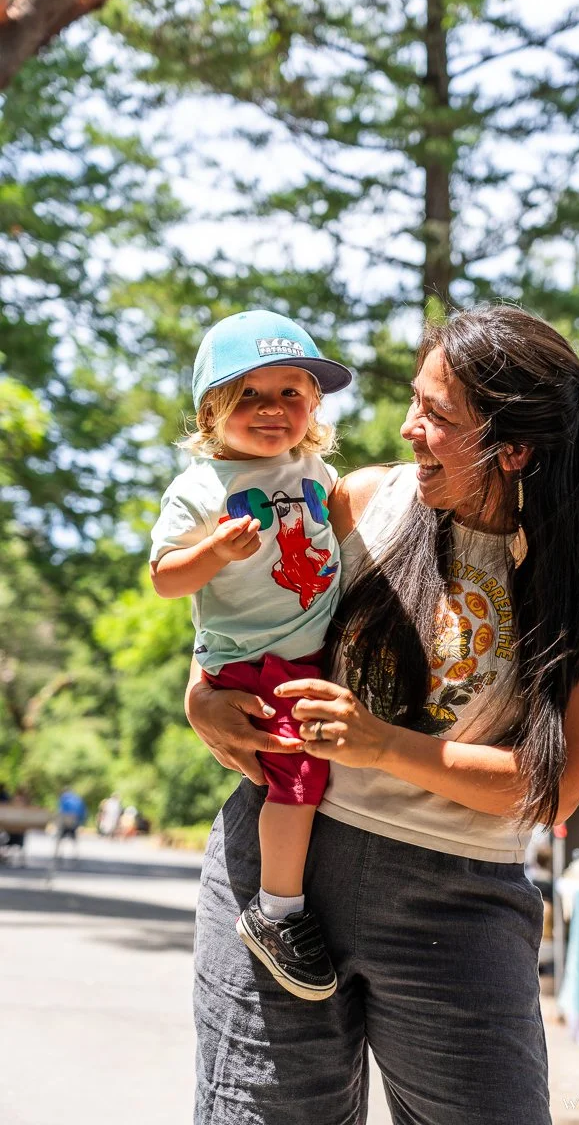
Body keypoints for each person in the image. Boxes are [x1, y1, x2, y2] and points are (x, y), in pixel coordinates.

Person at [184, 304, 579, 1124]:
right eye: (414, 401)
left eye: (436, 415)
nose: (407, 429)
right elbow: (248, 618)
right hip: (281, 885)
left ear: (515, 449)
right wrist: (202, 695)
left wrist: (380, 745)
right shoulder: (361, 500)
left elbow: (552, 791)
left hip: (459, 907)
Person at [151, 309, 352, 1001]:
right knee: (298, 775)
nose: (272, 409)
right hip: (255, 660)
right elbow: (164, 578)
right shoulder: (199, 488)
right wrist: (212, 552)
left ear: (313, 406)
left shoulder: (316, 471)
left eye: (291, 392)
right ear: (211, 412)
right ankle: (276, 910)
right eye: (249, 395)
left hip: (312, 647)